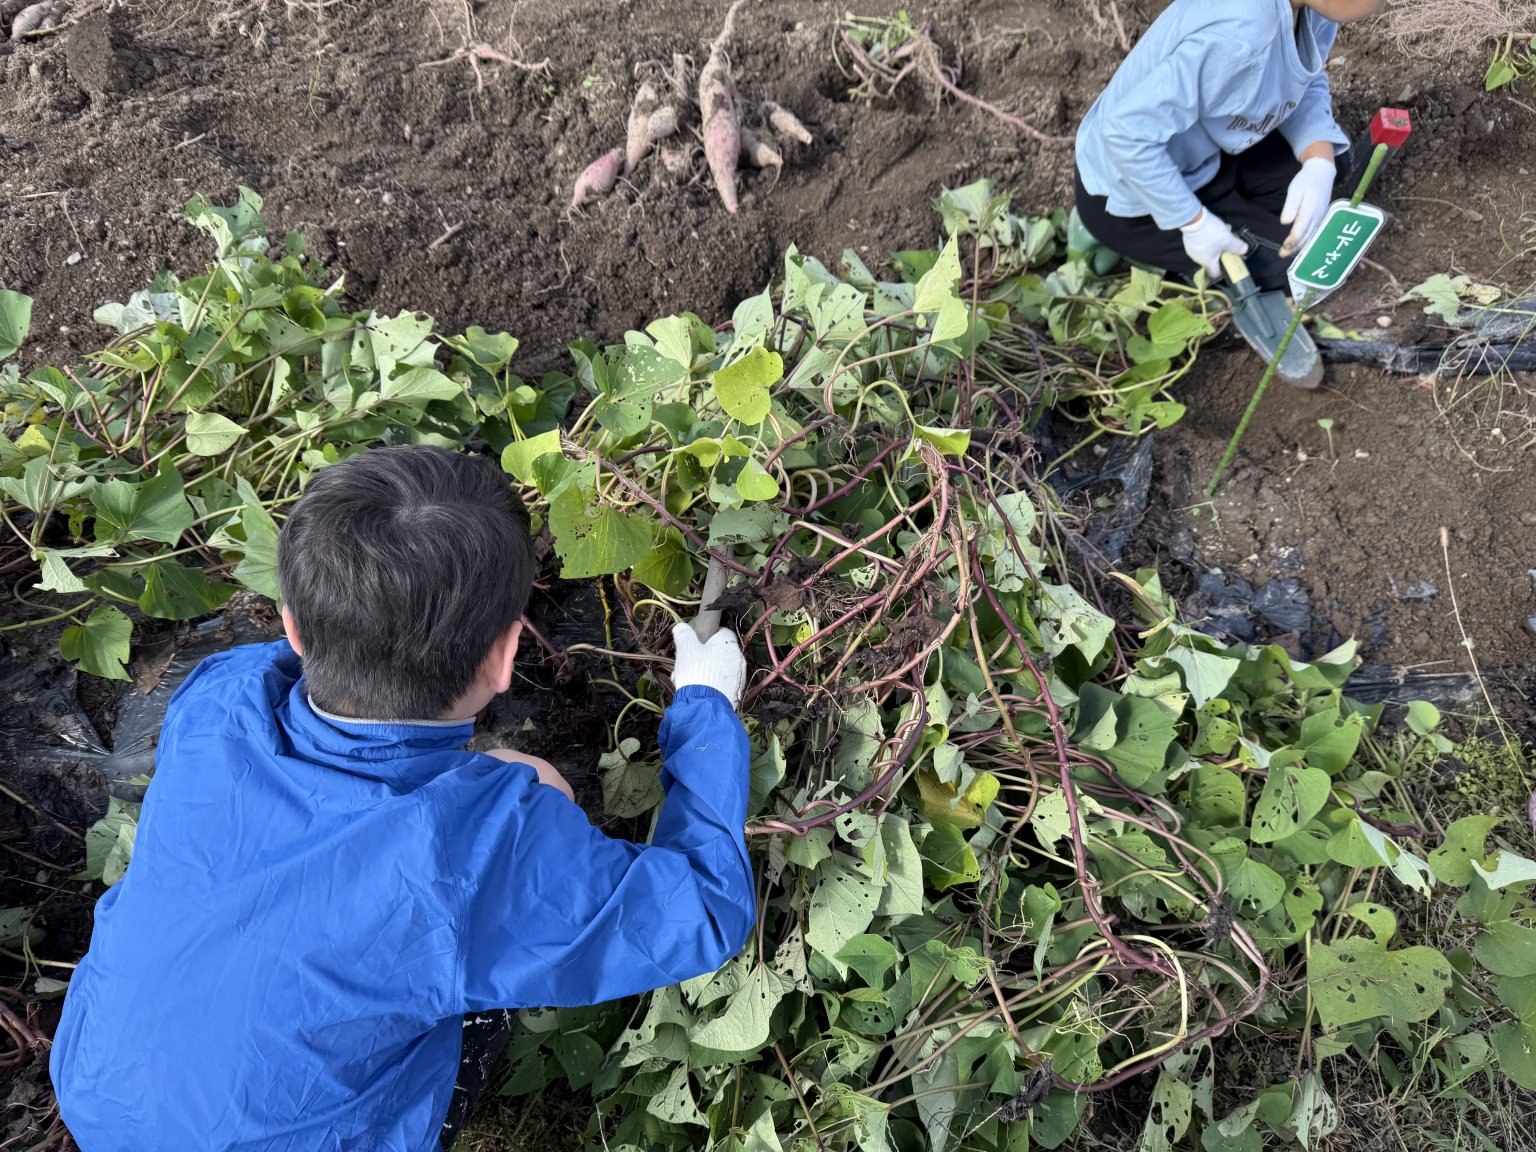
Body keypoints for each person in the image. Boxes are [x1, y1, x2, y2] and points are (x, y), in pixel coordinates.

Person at [50, 444, 756, 1151]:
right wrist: (704, 708)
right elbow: (704, 906)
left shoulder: (217, 698)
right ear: (507, 655)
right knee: (540, 796)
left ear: (293, 623)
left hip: (102, 1095)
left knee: (515, 789)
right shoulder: (471, 859)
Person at [1073, 0, 1386, 388]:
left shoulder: (1312, 11)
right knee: (1287, 268)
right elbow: (1124, 134)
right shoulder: (1239, 33)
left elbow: (1304, 79)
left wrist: (1318, 162)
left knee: (1327, 168)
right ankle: (1178, 257)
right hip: (1130, 194)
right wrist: (1193, 222)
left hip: (1207, 151)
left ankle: (1234, 210)